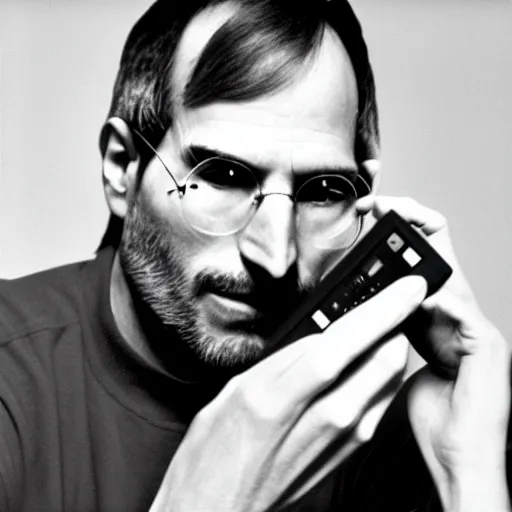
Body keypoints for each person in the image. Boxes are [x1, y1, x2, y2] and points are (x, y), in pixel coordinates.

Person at [0, 0, 510, 511]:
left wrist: (465, 471)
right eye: (222, 175)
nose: (277, 255)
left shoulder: (385, 423)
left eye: (323, 190)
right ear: (122, 168)